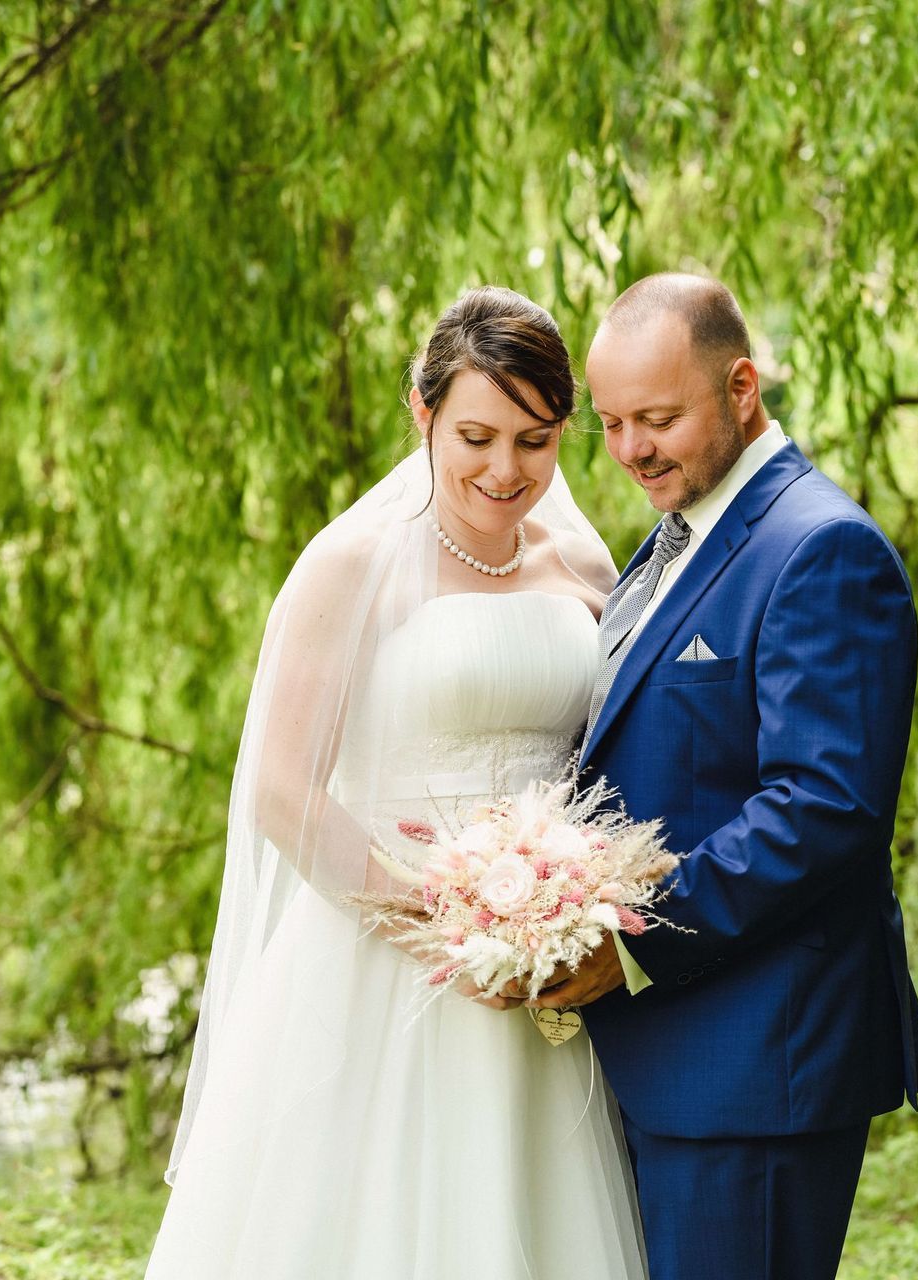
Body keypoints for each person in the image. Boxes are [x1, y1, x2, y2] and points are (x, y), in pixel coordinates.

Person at [146, 286, 646, 1278]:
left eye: (536, 441)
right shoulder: (353, 564)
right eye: (476, 436)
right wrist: (446, 924)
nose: (505, 470)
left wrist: (558, 909)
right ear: (422, 412)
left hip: (540, 962)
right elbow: (283, 789)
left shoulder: (583, 561)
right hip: (382, 955)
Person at [528, 272, 918, 1280]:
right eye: (612, 423)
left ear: (742, 388)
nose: (631, 450)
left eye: (659, 419)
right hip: (664, 1062)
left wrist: (633, 942)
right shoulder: (674, 538)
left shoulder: (821, 548)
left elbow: (823, 808)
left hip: (757, 1067)